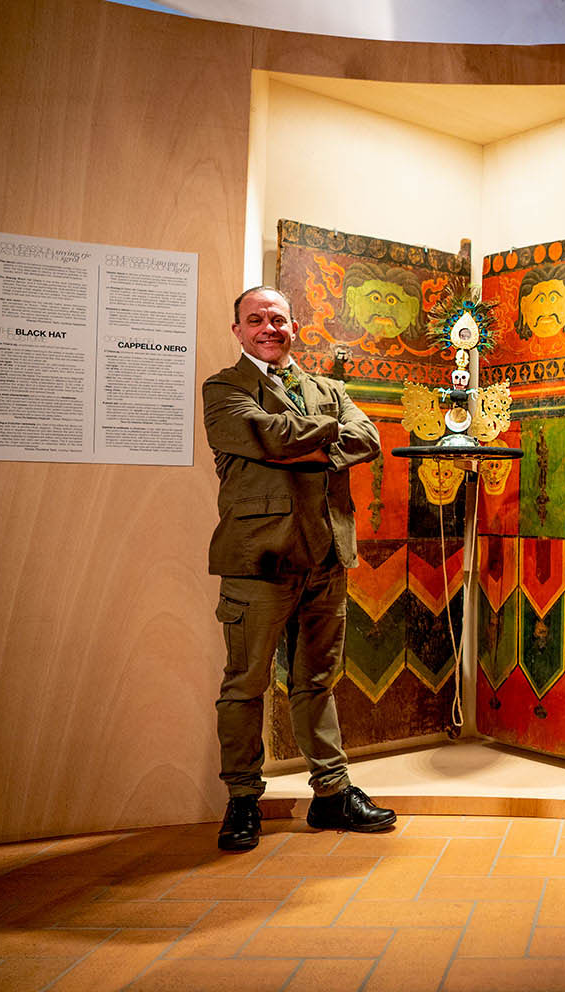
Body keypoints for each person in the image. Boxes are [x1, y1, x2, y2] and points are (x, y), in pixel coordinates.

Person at [204, 286, 397, 850]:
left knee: (317, 681)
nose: (268, 327)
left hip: (326, 559)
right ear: (237, 330)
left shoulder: (328, 389)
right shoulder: (224, 389)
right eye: (255, 319)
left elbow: (369, 438)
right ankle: (243, 801)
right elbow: (270, 435)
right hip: (258, 562)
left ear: (294, 327)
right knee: (246, 685)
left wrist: (306, 443)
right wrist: (322, 435)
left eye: (278, 318)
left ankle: (332, 795)